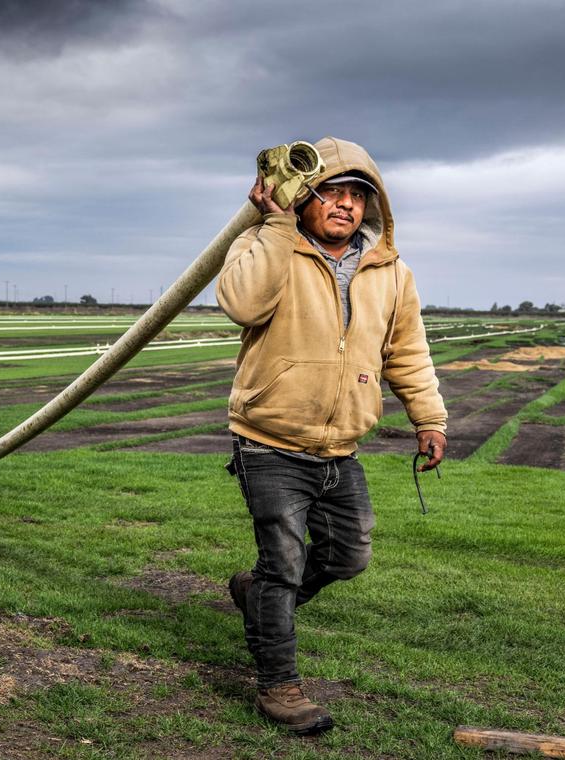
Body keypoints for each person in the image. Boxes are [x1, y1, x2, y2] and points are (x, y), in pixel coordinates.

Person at [216, 136, 447, 735]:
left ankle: (259, 595)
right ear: (304, 197)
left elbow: (407, 352)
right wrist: (274, 227)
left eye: (356, 196)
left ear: (371, 207)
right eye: (330, 193)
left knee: (348, 555)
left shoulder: (391, 271)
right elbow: (241, 304)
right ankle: (279, 686)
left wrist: (429, 419)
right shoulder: (266, 244)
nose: (344, 205)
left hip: (340, 446)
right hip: (268, 441)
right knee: (285, 561)